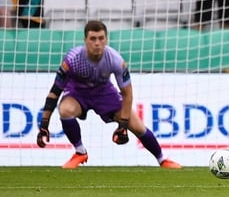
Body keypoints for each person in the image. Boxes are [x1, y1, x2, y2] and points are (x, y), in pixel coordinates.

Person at [36, 20, 182, 170]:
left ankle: (162, 160)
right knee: (65, 110)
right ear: (85, 40)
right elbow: (55, 92)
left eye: (101, 38)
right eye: (93, 39)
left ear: (106, 39)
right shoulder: (72, 59)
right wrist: (44, 124)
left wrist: (123, 125)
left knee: (137, 126)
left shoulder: (116, 60)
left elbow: (128, 94)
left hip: (104, 93)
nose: (97, 43)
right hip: (77, 93)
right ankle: (80, 152)